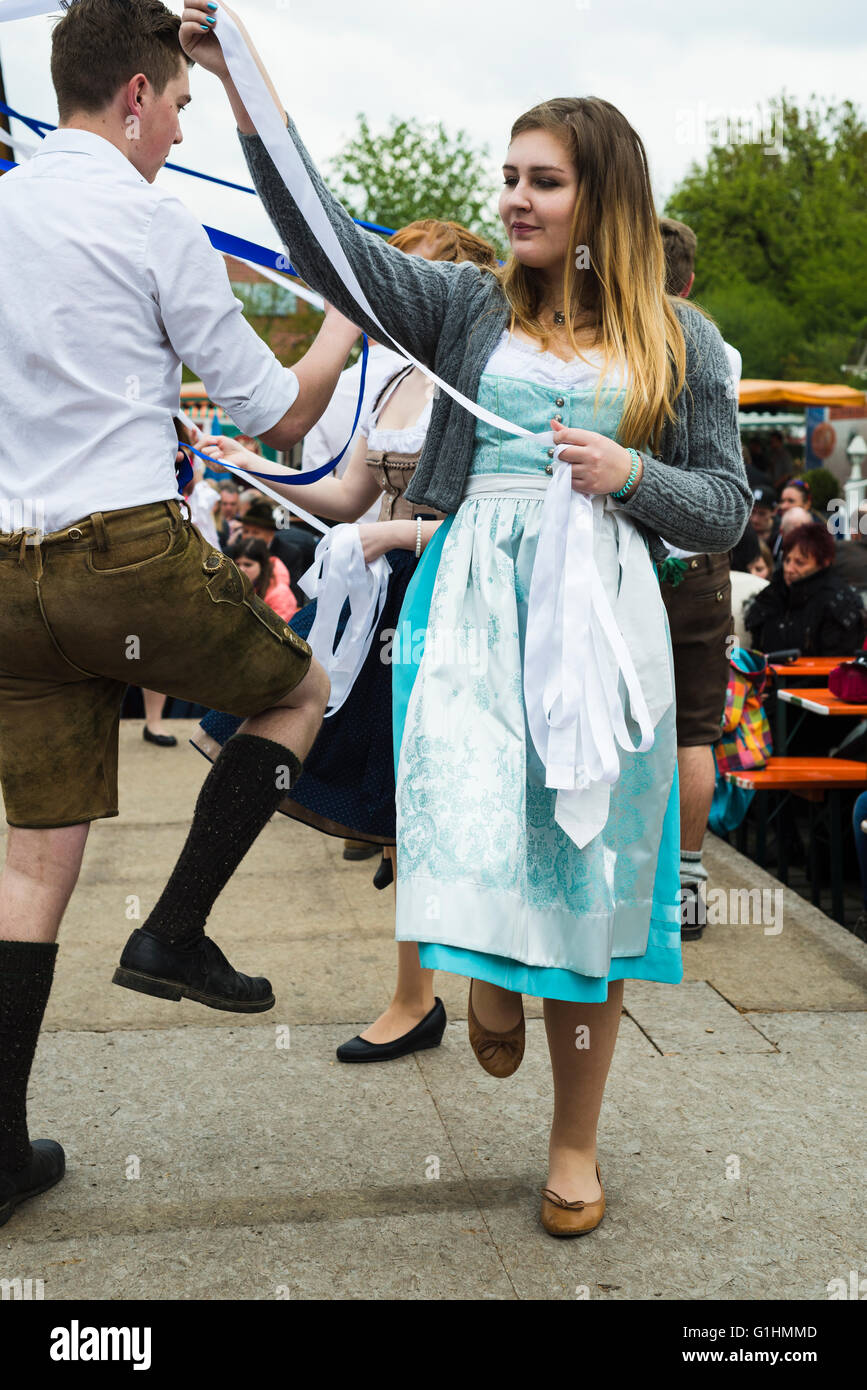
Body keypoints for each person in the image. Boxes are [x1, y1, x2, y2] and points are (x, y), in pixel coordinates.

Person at [184, 4, 750, 1233]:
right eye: (508, 177)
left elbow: (726, 512)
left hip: (600, 630)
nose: (515, 200)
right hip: (466, 614)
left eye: (543, 180)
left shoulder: (684, 342)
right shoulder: (460, 307)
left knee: (588, 878)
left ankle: (576, 1143)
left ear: (602, 196)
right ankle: (485, 978)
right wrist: (241, 82)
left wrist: (630, 477)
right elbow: (327, 246)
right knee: (469, 830)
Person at [0, 0, 364, 1227]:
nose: (176, 136)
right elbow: (278, 419)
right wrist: (338, 330)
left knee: (31, 856)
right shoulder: (154, 216)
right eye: (180, 109)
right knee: (298, 686)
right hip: (123, 554)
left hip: (4, 573)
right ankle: (175, 930)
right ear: (140, 97)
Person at [194, 219, 500, 1062]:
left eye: (413, 276)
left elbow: (492, 525)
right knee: (401, 796)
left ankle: (453, 990)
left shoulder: (480, 382)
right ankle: (418, 997)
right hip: (380, 605)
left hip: (447, 604)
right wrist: (248, 468)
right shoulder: (396, 377)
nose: (391, 291)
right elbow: (343, 493)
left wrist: (391, 538)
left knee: (435, 800)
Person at [656, 217, 744, 938]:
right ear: (688, 281)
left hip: (622, 552)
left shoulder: (609, 343)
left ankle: (624, 877)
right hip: (698, 559)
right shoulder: (719, 349)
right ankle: (684, 884)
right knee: (692, 732)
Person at [744, 523, 864, 656]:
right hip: (770, 674)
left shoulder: (839, 603)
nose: (789, 569)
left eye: (799, 563)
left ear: (823, 563)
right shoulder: (771, 594)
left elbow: (839, 663)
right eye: (787, 560)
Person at [226, 535, 297, 621]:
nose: (241, 569)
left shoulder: (280, 594)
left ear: (262, 565)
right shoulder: (232, 583)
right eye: (237, 564)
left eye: (248, 565)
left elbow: (275, 631)